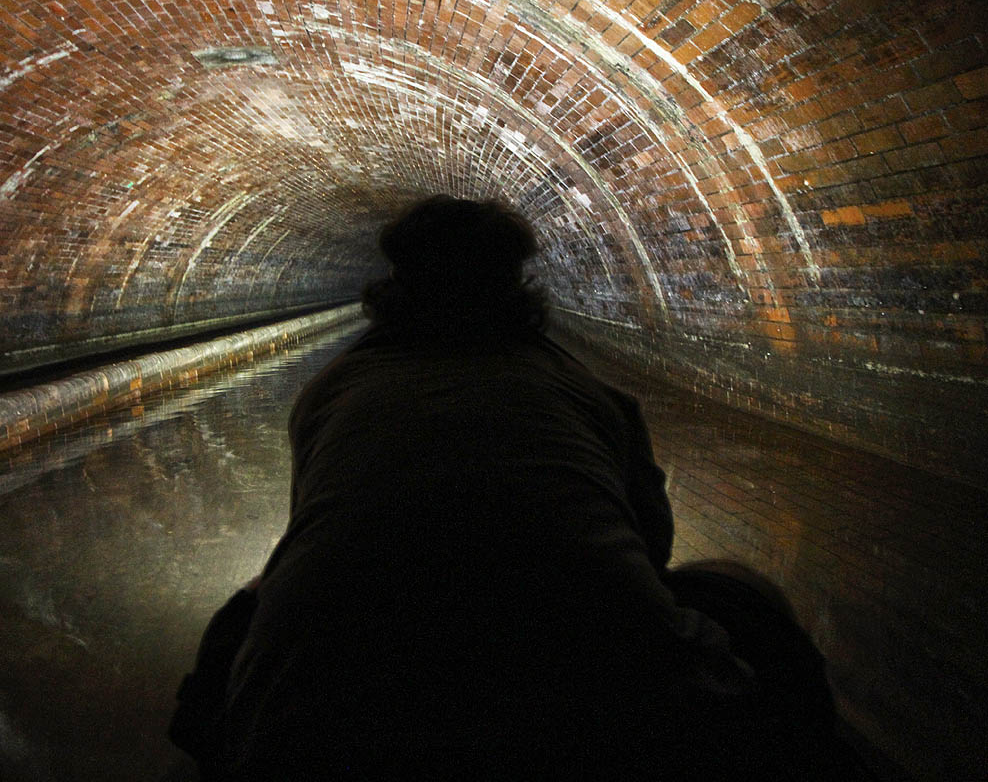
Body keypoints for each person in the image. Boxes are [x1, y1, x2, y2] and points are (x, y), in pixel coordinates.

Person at [171, 195, 846, 780]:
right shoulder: (590, 393)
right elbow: (651, 546)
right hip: (611, 725)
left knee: (263, 590)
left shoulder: (330, 391)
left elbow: (313, 528)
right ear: (516, 284)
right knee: (733, 586)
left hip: (313, 736)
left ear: (393, 284)